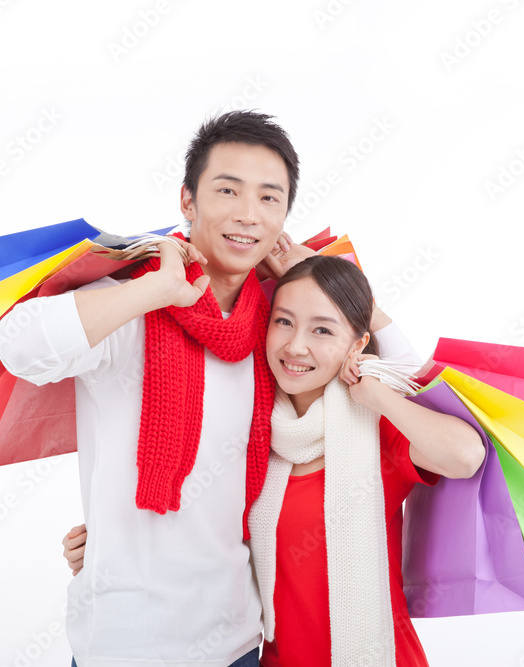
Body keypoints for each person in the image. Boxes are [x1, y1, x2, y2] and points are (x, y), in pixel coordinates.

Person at [0, 111, 416, 666]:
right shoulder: (127, 303)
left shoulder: (276, 329)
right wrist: (158, 290)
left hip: (236, 641)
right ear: (187, 202)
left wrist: (318, 271)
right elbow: (18, 345)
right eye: (227, 190)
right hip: (124, 642)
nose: (248, 215)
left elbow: (406, 372)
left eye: (270, 198)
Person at [64, 256, 485, 665]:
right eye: (283, 321)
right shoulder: (252, 436)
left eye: (323, 329)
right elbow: (205, 528)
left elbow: (466, 456)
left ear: (357, 343)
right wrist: (114, 544)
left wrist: (376, 393)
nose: (296, 345)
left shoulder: (374, 429)